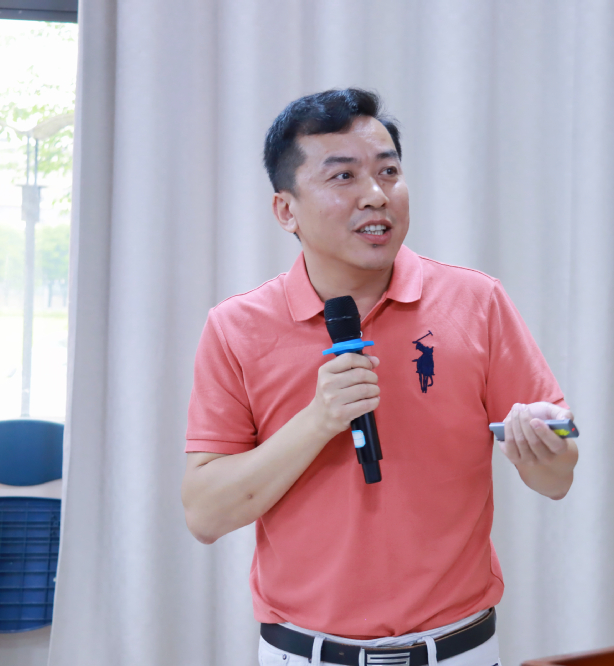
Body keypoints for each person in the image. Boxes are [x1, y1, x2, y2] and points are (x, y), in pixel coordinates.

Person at [181, 89, 578, 666]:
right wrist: (318, 421)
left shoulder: (476, 302)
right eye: (343, 176)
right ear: (286, 210)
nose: (375, 194)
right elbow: (205, 515)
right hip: (303, 653)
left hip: (458, 650)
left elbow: (557, 476)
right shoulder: (236, 327)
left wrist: (544, 447)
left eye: (388, 171)